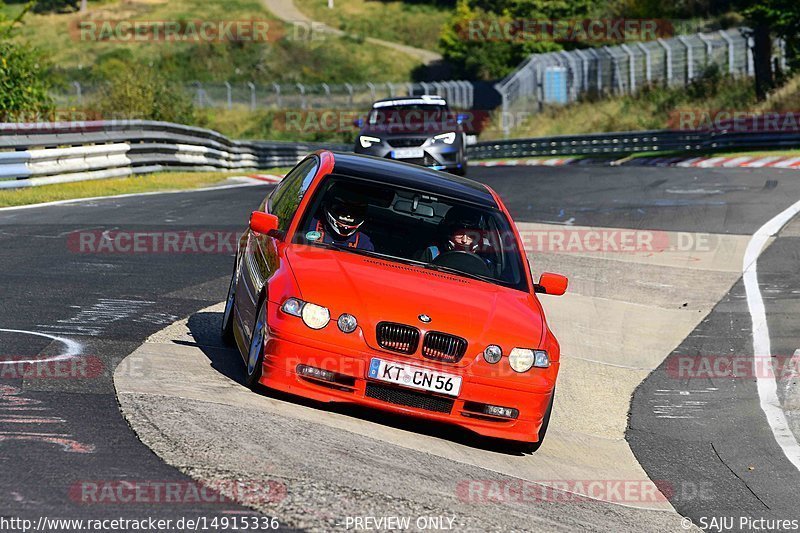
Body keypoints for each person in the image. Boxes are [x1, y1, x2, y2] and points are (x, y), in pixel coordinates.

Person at [306, 196, 374, 251]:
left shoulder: (363, 243)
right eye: (343, 210)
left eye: (355, 212)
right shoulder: (308, 225)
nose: (348, 216)